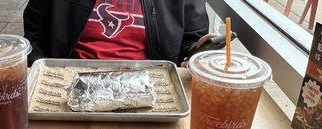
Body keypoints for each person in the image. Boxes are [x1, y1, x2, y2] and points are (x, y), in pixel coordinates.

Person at [23, 0, 210, 66]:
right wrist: (40, 69)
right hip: (69, 82)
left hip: (152, 86)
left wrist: (195, 58)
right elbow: (34, 37)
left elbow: (191, 43)